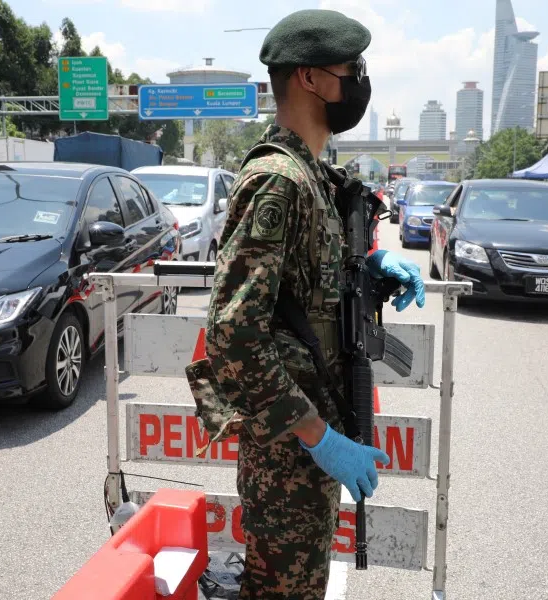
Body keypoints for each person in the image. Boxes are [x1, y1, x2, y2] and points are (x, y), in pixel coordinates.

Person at [199, 9, 426, 599]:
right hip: (290, 449)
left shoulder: (315, 177)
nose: (358, 81)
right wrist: (317, 435)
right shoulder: (279, 181)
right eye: (350, 68)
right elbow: (233, 333)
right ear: (309, 78)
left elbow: (307, 288)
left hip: (309, 433)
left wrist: (369, 267)